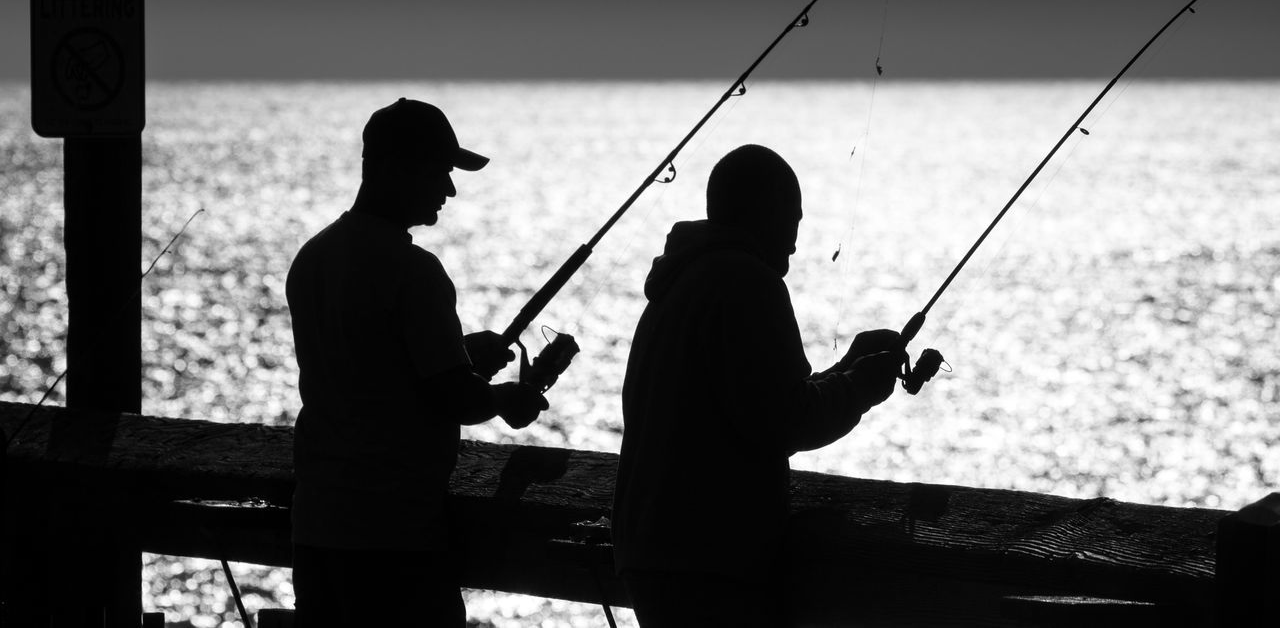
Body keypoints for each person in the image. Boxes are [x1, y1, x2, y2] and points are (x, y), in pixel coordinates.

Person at [611, 144, 907, 627]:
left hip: (654, 553)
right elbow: (788, 420)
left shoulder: (683, 281)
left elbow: (756, 400)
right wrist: (860, 387)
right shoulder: (747, 282)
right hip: (707, 562)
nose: (795, 239)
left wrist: (849, 365)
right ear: (763, 213)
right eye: (792, 219)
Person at [286, 97, 549, 627]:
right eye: (439, 172)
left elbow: (371, 369)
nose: (448, 189)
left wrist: (463, 352)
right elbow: (456, 396)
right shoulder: (415, 271)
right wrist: (504, 399)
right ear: (391, 168)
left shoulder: (314, 258)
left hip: (316, 529)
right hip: (396, 537)